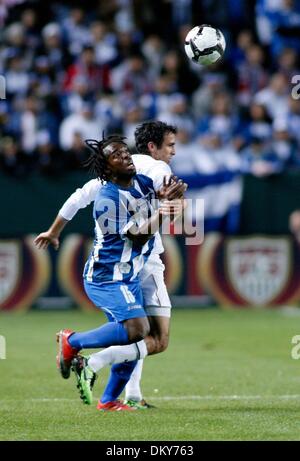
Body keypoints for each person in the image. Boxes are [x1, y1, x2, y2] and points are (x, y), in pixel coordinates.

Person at [34, 121, 183, 409]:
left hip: (129, 274)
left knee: (132, 339)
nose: (126, 156)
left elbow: (167, 202)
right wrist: (165, 210)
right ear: (107, 168)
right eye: (117, 155)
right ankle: (72, 340)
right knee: (137, 329)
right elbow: (138, 237)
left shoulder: (141, 180)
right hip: (106, 276)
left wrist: (172, 199)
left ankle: (110, 400)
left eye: (125, 152)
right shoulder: (107, 198)